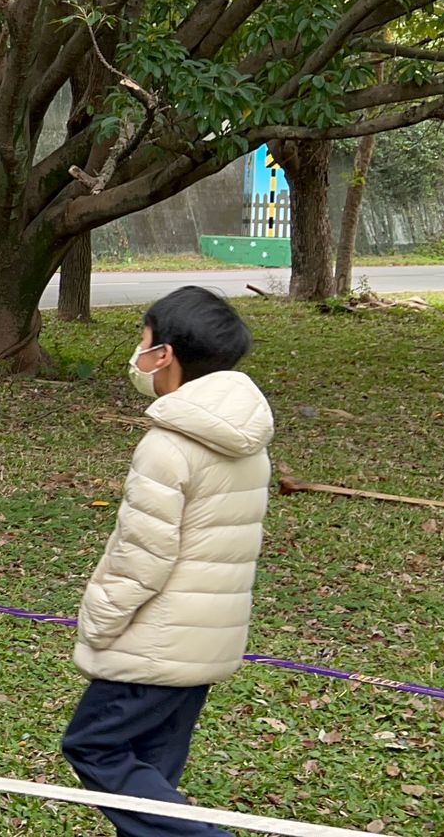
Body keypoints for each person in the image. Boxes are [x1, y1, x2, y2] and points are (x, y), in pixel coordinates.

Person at [61, 286, 273, 837]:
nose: (139, 351)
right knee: (151, 770)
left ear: (166, 354)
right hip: (205, 641)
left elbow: (143, 557)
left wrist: (99, 619)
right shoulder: (244, 435)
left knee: (95, 746)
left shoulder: (168, 444)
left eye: (144, 339)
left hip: (154, 641)